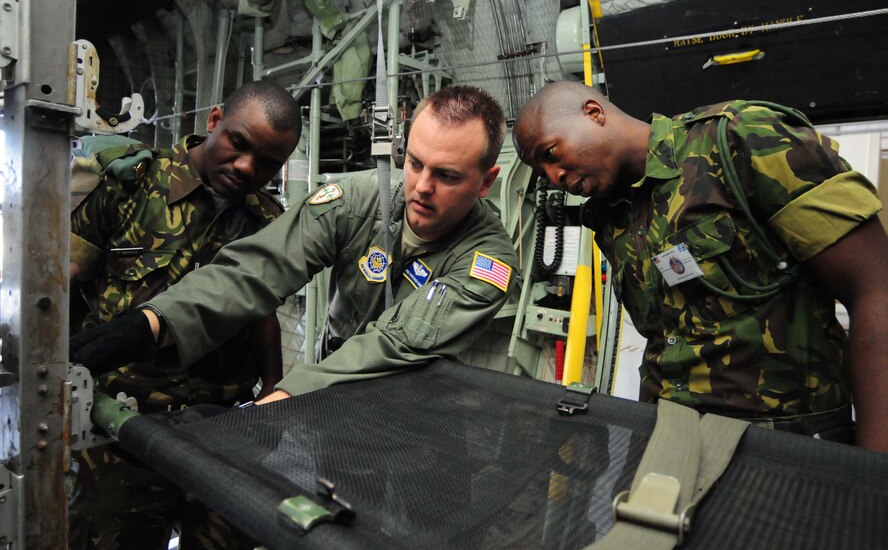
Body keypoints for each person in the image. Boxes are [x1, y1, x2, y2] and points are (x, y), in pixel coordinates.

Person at [69, 84, 519, 403]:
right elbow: (257, 271)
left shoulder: (488, 262)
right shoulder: (361, 199)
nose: (421, 186)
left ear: (485, 182)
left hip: (412, 414)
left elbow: (395, 344)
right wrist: (150, 323)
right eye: (415, 163)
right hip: (329, 395)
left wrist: (284, 395)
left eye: (447, 175)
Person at [513, 80, 888, 453]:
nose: (555, 178)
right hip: (670, 434)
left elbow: (875, 289)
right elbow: (665, 339)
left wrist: (872, 471)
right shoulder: (612, 216)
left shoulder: (740, 139)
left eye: (550, 153)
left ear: (593, 113)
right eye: (543, 172)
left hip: (782, 439)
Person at [68, 79, 302, 549]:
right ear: (214, 121)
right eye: (238, 144)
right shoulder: (130, 184)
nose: (245, 167)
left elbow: (262, 314)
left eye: (267, 163)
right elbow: (62, 281)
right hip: (122, 429)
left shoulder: (268, 221)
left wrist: (273, 396)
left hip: (219, 430)